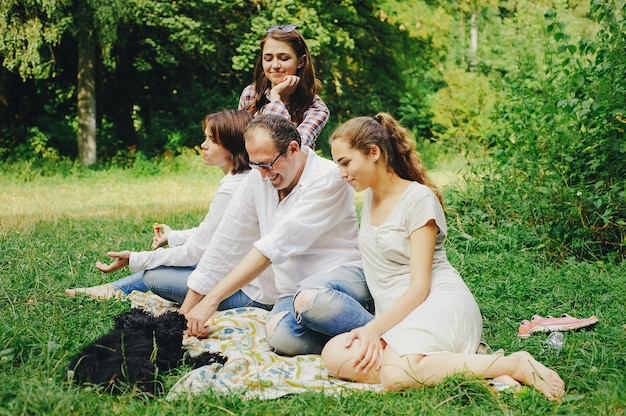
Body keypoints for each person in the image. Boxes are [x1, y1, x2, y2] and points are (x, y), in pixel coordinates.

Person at [321, 113, 566, 400]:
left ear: (373, 152)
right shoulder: (370, 198)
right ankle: (471, 367)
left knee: (394, 375)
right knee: (335, 354)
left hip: (435, 302)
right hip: (397, 317)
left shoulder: (418, 199)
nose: (342, 173)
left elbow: (420, 286)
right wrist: (377, 328)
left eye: (345, 162)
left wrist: (374, 329)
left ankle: (514, 363)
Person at [181, 114, 374, 356]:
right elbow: (225, 243)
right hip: (292, 292)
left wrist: (211, 301)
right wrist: (186, 313)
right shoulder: (257, 178)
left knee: (315, 301)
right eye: (255, 165)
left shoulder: (328, 178)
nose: (263, 174)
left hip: (341, 281)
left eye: (267, 163)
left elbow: (276, 244)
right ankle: (350, 344)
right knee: (281, 337)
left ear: (293, 149)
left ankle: (384, 335)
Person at [65, 109, 278, 311]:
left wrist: (135, 258)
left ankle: (111, 290)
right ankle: (112, 290)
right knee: (164, 265)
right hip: (250, 281)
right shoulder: (247, 178)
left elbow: (196, 252)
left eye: (212, 140)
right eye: (205, 138)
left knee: (154, 276)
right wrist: (173, 236)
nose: (203, 145)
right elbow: (214, 233)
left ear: (232, 146)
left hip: (251, 295)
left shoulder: (233, 188)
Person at [238, 24, 329, 149]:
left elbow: (289, 148)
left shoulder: (316, 108)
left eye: (284, 58)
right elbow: (239, 143)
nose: (275, 65)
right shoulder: (251, 94)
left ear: (300, 61)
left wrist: (276, 99)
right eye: (268, 59)